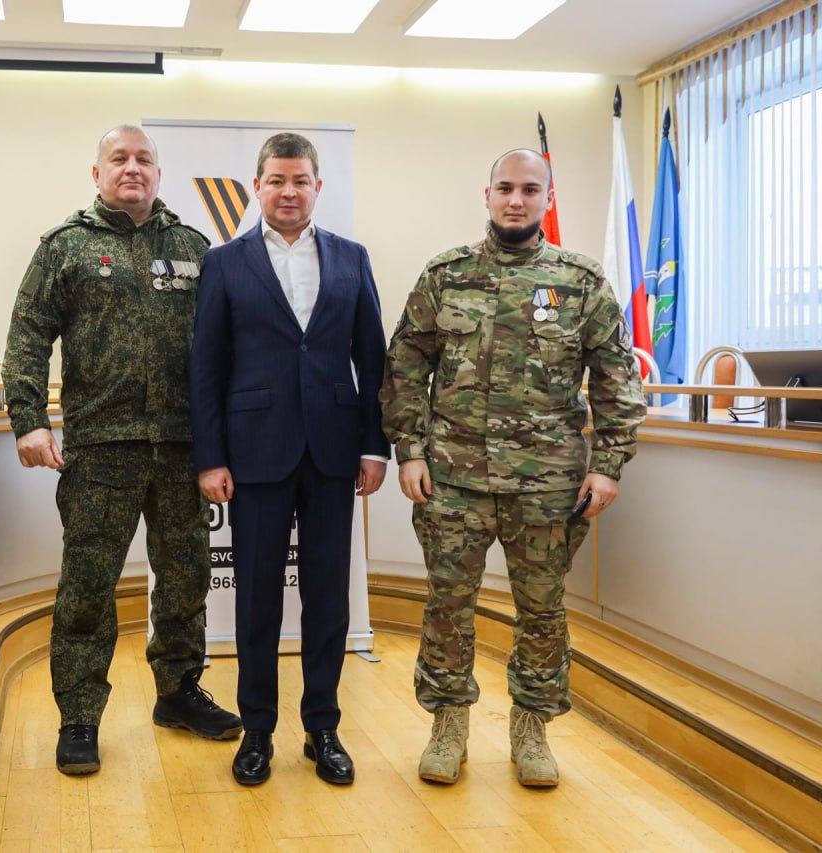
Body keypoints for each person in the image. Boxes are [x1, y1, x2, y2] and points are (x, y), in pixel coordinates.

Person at [380, 148, 645, 788]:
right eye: (505, 188)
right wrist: (409, 450)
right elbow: (404, 368)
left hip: (548, 484)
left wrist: (608, 465)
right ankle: (448, 727)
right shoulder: (446, 275)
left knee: (542, 610)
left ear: (547, 199)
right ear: (488, 195)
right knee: (448, 605)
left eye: (530, 189)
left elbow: (617, 377)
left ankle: (532, 729)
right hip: (454, 478)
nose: (516, 200)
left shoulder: (581, 281)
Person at [2, 124, 241, 777]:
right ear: (97, 172)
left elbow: (225, 347)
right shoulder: (65, 247)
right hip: (101, 448)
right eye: (119, 158)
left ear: (158, 173)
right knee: (88, 587)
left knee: (186, 578)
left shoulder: (193, 247)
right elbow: (27, 336)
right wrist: (29, 420)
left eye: (143, 159)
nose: (132, 168)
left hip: (183, 447)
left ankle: (179, 692)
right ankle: (79, 715)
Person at [189, 132, 389, 786]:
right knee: (256, 601)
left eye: (300, 180)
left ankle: (322, 726)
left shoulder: (352, 258)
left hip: (334, 454)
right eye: (276, 180)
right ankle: (257, 730)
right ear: (257, 186)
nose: (288, 191)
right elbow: (206, 368)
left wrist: (374, 445)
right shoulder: (224, 263)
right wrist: (210, 458)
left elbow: (372, 361)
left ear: (317, 187)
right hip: (254, 455)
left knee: (328, 597)